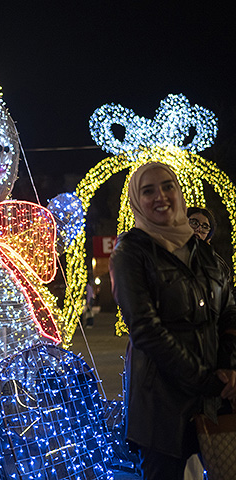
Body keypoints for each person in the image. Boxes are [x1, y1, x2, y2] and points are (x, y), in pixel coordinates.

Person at [109, 161, 236, 480]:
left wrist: (230, 367)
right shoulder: (132, 252)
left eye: (167, 186)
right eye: (147, 191)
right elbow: (146, 330)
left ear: (178, 192)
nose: (160, 196)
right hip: (162, 408)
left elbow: (230, 314)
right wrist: (208, 380)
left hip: (213, 403)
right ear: (138, 201)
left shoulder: (207, 256)